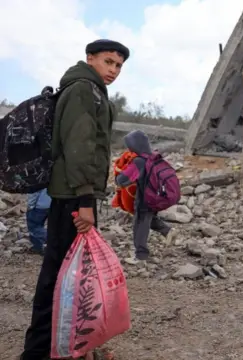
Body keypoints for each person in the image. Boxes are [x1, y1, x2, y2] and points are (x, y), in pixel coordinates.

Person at [21, 39, 129, 360]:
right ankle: (40, 349)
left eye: (119, 66)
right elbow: (79, 147)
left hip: (74, 195)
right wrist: (85, 200)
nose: (113, 70)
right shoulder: (83, 89)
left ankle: (66, 345)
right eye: (108, 62)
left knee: (72, 273)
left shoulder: (92, 90)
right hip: (72, 197)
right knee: (59, 274)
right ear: (90, 58)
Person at [115, 130, 175, 264]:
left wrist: (119, 172)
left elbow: (122, 180)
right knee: (148, 219)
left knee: (140, 225)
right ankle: (168, 231)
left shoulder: (139, 162)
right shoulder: (153, 157)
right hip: (155, 197)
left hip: (144, 199)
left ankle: (141, 255)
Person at [25, 188, 51, 255]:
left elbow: (34, 191)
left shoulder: (38, 177)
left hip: (39, 206)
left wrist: (30, 205)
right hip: (52, 204)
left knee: (34, 227)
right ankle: (37, 247)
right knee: (42, 226)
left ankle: (52, 240)